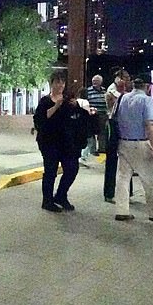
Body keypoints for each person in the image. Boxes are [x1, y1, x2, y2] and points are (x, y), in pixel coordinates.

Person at [33, 73, 89, 212]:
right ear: (51, 84)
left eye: (62, 82)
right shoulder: (45, 101)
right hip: (49, 142)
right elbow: (40, 119)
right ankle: (47, 201)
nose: (60, 85)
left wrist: (77, 105)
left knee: (72, 169)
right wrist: (56, 106)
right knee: (50, 171)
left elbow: (79, 116)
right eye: (57, 82)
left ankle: (61, 195)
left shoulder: (68, 100)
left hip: (67, 142)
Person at [112, 73, 153, 222]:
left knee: (123, 178)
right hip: (141, 143)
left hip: (123, 142)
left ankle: (122, 210)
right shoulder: (147, 101)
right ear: (147, 86)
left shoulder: (122, 98)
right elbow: (150, 126)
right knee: (148, 180)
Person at [103, 68, 131, 203]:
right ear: (118, 78)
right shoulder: (112, 90)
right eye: (125, 78)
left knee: (127, 160)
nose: (127, 80)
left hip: (125, 125)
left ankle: (127, 193)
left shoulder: (125, 90)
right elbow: (119, 100)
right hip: (114, 124)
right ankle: (109, 192)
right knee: (112, 160)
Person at [86, 74, 108, 153]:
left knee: (102, 132)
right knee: (91, 133)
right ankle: (93, 150)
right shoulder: (88, 91)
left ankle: (102, 148)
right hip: (92, 115)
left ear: (101, 82)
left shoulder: (104, 91)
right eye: (93, 81)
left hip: (103, 115)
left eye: (97, 81)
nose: (95, 82)